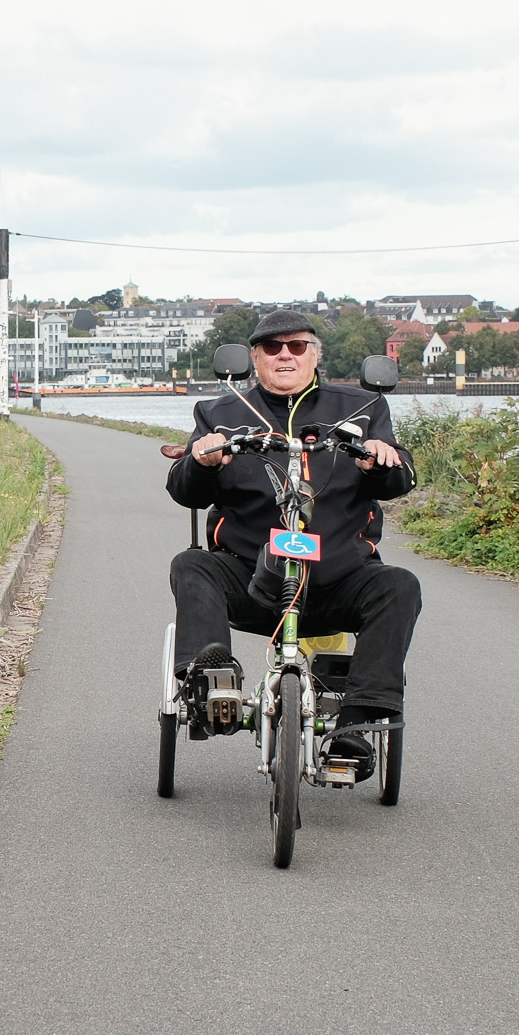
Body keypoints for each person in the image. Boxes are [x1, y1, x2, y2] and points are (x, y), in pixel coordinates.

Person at [165, 308, 422, 777]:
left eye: (297, 346)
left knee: (399, 586)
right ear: (254, 358)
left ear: (314, 354)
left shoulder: (362, 408)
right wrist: (202, 462)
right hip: (252, 579)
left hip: (337, 580)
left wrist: (382, 462)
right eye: (272, 348)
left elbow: (398, 479)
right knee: (191, 565)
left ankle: (357, 724)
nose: (285, 355)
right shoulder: (219, 412)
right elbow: (186, 493)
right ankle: (212, 679)